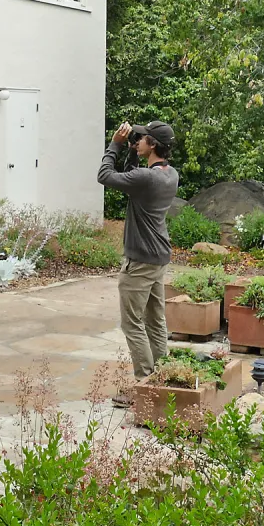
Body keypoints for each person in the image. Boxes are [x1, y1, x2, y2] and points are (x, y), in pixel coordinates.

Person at [98, 120, 179, 406]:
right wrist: (133, 151)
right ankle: (163, 378)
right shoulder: (170, 175)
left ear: (153, 144)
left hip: (140, 261)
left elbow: (105, 176)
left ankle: (145, 386)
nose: (138, 139)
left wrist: (116, 144)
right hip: (159, 258)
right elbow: (134, 177)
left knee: (132, 324)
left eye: (142, 138)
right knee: (156, 322)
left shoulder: (147, 179)